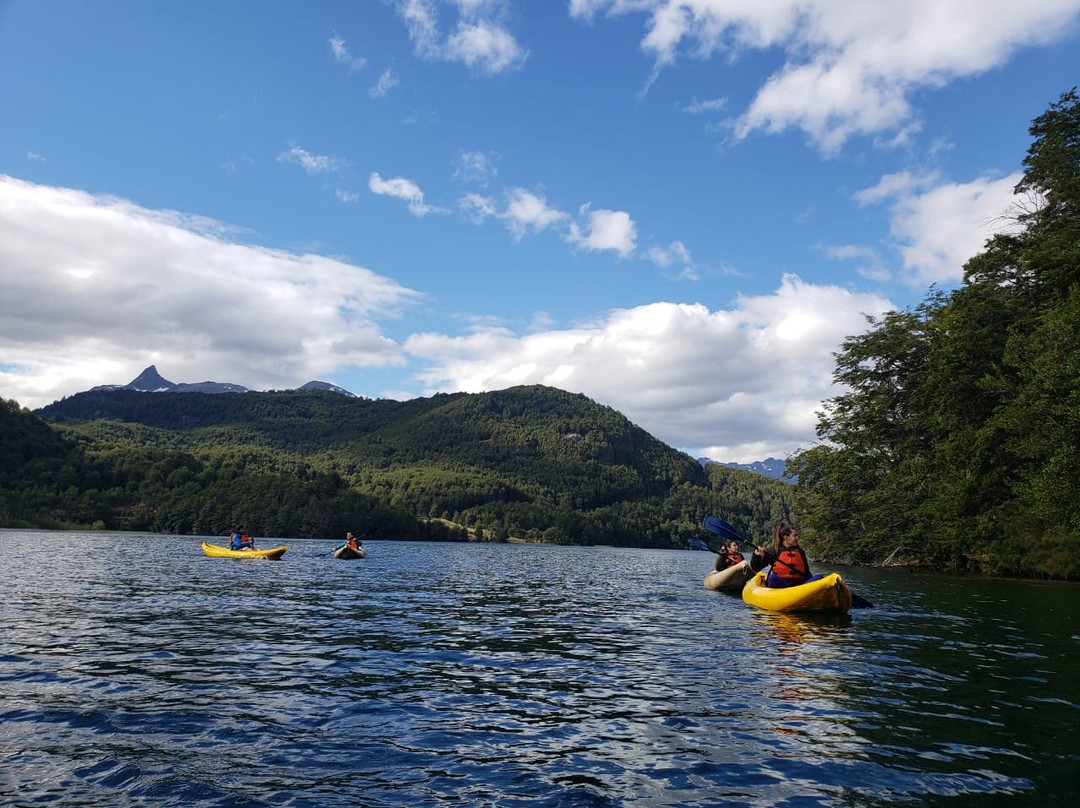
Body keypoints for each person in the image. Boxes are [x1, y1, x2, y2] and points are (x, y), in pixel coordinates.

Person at [752, 522, 821, 587]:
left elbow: (807, 573)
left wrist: (814, 584)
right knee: (772, 578)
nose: (797, 538)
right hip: (782, 585)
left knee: (819, 577)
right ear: (786, 537)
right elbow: (756, 568)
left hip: (800, 586)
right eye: (794, 536)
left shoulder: (800, 552)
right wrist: (756, 555)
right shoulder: (774, 551)